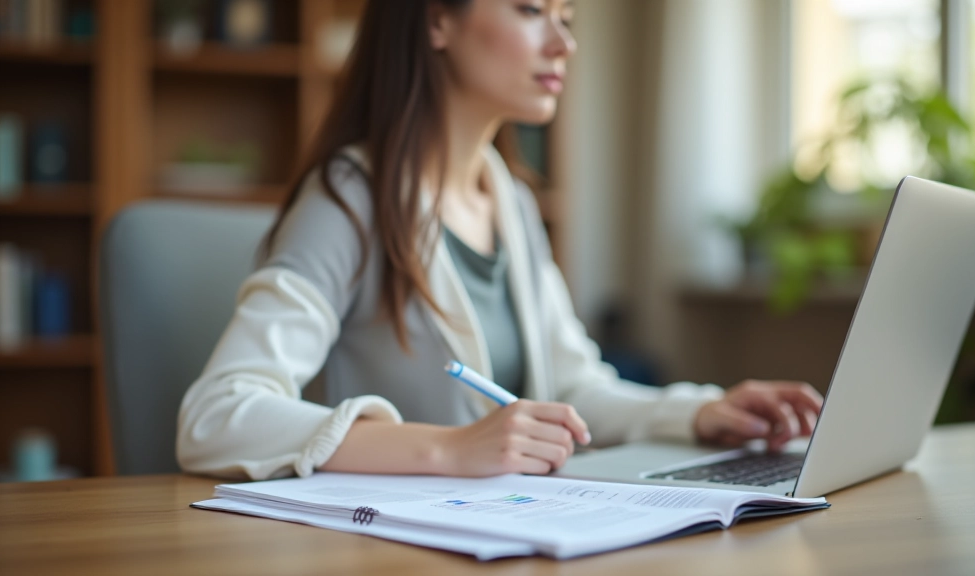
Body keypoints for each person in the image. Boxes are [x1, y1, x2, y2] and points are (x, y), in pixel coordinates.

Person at [176, 0, 823, 481]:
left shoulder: (509, 198)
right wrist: (451, 448)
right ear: (436, 21)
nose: (563, 42)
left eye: (567, 16)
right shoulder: (349, 197)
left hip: (501, 537)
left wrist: (704, 413)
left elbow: (571, 389)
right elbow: (216, 417)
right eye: (530, 9)